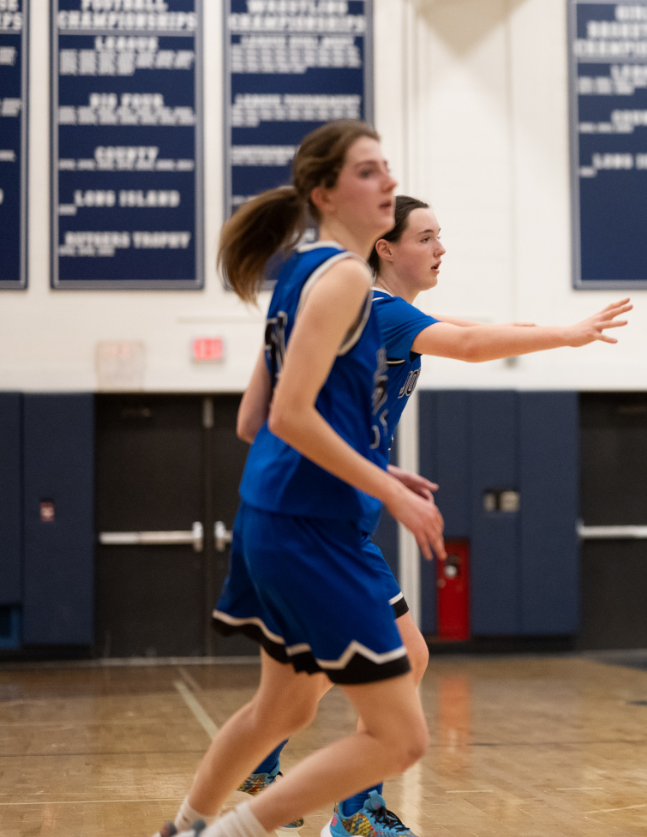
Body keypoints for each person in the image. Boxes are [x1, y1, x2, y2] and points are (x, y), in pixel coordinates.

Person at [232, 194, 632, 837]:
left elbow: (468, 332)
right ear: (386, 248)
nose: (440, 248)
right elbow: (471, 343)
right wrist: (567, 333)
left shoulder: (382, 313)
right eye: (425, 237)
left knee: (330, 669)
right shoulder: (381, 311)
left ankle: (265, 772)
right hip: (321, 520)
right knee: (401, 656)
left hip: (328, 515)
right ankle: (348, 810)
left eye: (440, 236)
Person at [154, 121, 441, 837]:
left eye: (387, 169)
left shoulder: (300, 270)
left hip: (269, 512)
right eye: (369, 172)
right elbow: (287, 414)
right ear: (325, 192)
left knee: (283, 710)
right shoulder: (344, 276)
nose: (387, 183)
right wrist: (388, 489)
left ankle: (185, 827)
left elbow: (252, 417)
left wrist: (373, 463)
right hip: (310, 524)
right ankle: (230, 834)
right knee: (401, 736)